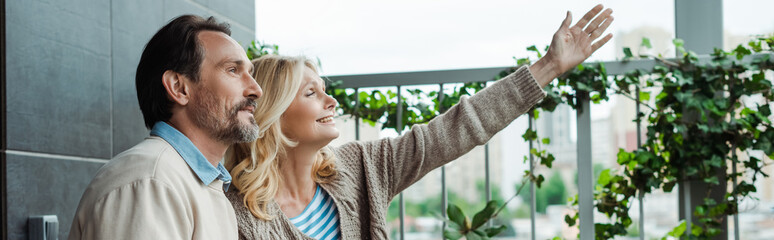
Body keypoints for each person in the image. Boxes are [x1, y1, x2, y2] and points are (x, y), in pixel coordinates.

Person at [225, 4, 613, 239]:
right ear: (273, 116)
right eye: (311, 93)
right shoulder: (234, 212)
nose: (331, 100)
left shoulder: (362, 166)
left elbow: (457, 128)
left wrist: (549, 66)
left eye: (324, 88)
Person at [68, 15, 262, 240]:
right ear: (179, 88)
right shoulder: (149, 183)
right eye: (232, 70)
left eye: (251, 73)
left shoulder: (191, 183)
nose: (256, 89)